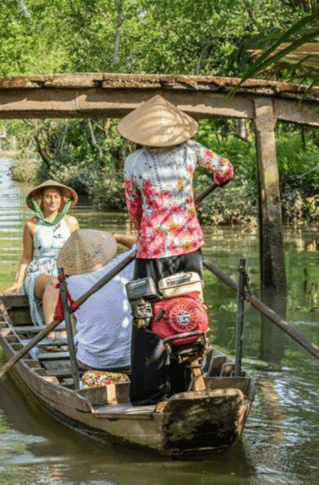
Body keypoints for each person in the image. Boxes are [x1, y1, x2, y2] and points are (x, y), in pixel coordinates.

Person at [118, 94, 234, 404]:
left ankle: (148, 397)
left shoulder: (133, 162)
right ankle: (184, 387)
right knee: (185, 314)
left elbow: (134, 210)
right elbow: (225, 169)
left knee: (148, 320)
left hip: (152, 252)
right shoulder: (192, 151)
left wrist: (149, 224)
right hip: (188, 249)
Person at [54, 229, 137, 377]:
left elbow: (67, 319)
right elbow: (142, 244)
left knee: (74, 322)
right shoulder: (125, 263)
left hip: (91, 362)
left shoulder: (67, 283)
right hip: (132, 360)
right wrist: (115, 236)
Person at [3, 179, 80, 331]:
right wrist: (18, 282)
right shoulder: (31, 225)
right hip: (39, 273)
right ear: (41, 199)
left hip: (65, 271)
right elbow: (26, 257)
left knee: (72, 285)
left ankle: (72, 334)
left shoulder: (71, 222)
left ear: (62, 200)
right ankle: (51, 334)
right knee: (54, 283)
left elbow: (77, 254)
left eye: (56, 197)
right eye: (48, 197)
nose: (52, 201)